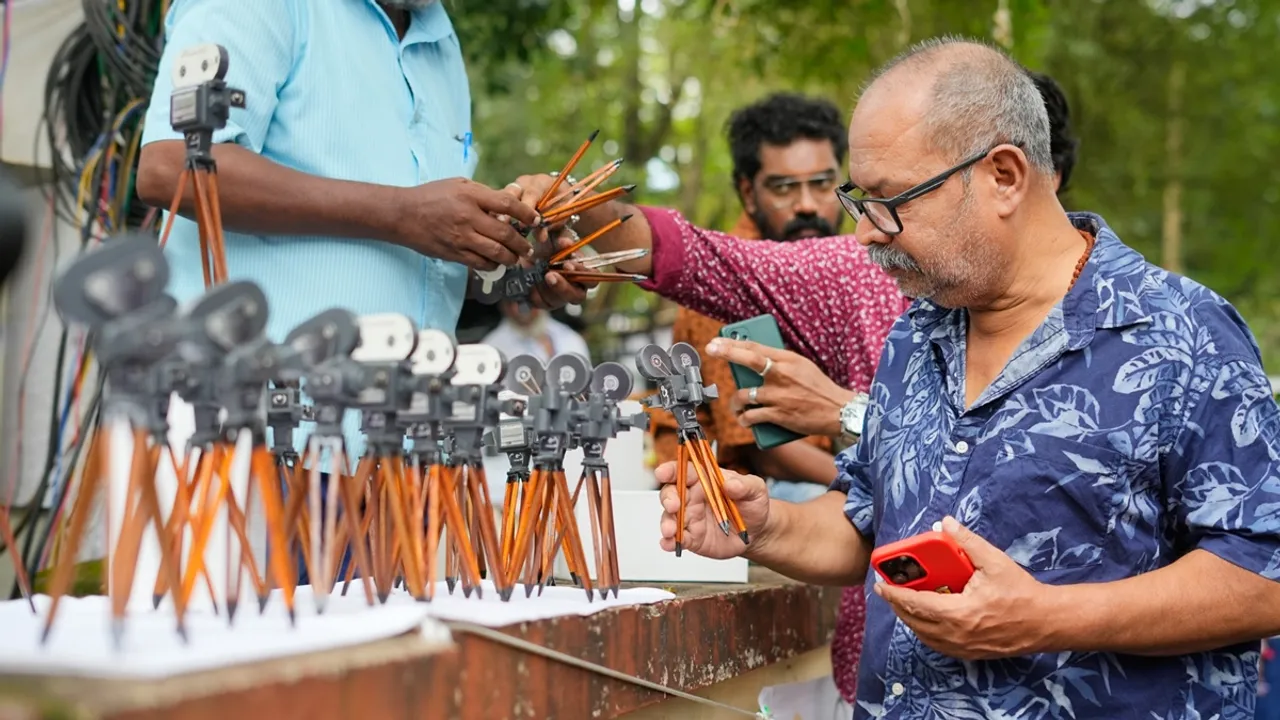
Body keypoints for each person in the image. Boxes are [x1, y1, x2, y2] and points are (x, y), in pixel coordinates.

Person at [516, 37, 1280, 716]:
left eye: (890, 203)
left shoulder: (1179, 334)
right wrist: (765, 525)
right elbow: (870, 523)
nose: (864, 232)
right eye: (860, 198)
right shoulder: (919, 329)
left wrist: (1048, 617)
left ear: (1005, 176)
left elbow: (1263, 576)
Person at [136, 0, 587, 464]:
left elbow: (423, 256)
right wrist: (403, 213)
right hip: (251, 439)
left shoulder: (439, 40)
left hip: (406, 456)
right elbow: (170, 167)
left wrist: (517, 267)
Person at [651, 93, 848, 506]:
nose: (808, 205)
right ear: (748, 192)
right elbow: (769, 449)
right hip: (748, 491)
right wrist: (889, 467)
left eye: (823, 184)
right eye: (784, 188)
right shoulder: (728, 284)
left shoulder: (848, 261)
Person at [482, 300, 591, 365]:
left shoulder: (570, 338)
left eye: (524, 301)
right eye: (511, 302)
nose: (518, 309)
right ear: (503, 306)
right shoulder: (491, 347)